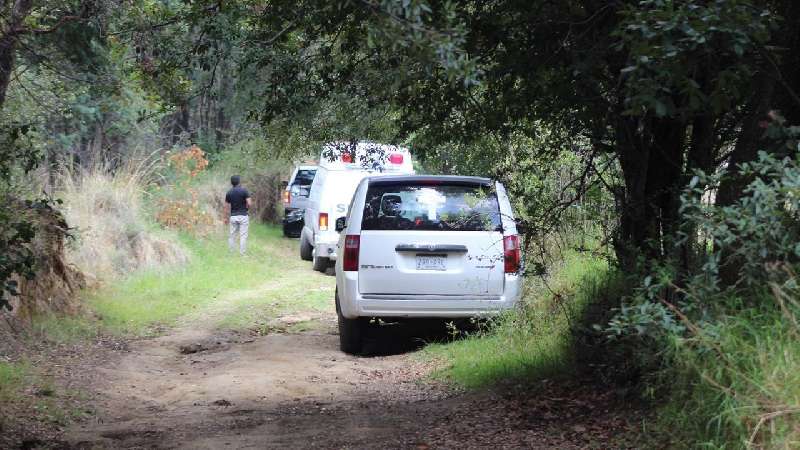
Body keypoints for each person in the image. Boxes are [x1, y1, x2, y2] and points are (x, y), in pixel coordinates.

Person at [224, 175, 251, 255]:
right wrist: (247, 208)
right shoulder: (244, 191)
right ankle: (242, 254)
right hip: (243, 216)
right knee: (243, 235)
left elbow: (226, 207)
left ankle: (231, 253)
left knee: (232, 235)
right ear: (239, 182)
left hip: (233, 216)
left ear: (231, 183)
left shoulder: (229, 192)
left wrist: (225, 218)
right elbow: (249, 203)